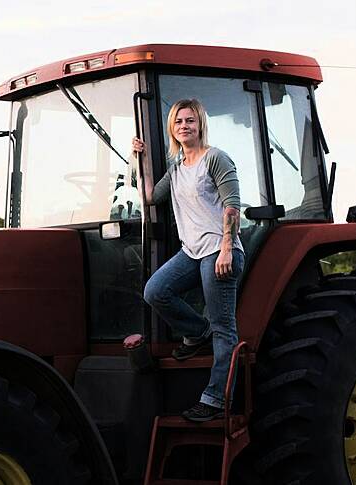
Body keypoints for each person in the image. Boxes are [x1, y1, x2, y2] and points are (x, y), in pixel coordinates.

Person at [132, 98, 244, 422]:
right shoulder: (178, 169)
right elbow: (151, 196)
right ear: (172, 128)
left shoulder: (216, 159)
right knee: (155, 291)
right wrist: (137, 159)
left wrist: (226, 247)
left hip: (218, 250)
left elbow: (232, 205)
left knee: (224, 328)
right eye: (179, 121)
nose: (185, 126)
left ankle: (215, 399)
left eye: (190, 121)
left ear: (200, 125)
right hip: (191, 251)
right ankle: (196, 332)